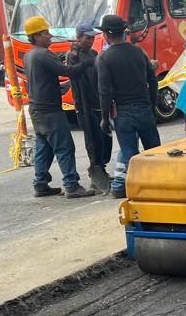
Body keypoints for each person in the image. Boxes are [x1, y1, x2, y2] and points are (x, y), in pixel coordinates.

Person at [22, 15, 95, 199]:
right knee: (64, 147)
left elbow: (42, 80)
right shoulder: (43, 54)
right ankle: (72, 185)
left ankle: (40, 184)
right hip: (50, 112)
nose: (50, 36)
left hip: (36, 110)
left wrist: (60, 88)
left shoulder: (29, 55)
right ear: (36, 36)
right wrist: (85, 63)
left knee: (43, 148)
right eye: (46, 33)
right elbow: (67, 71)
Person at [95, 14, 161, 199]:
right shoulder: (139, 53)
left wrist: (104, 118)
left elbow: (104, 91)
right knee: (154, 152)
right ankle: (158, 187)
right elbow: (152, 80)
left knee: (131, 154)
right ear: (123, 32)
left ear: (107, 35)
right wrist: (152, 104)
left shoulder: (104, 58)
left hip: (122, 112)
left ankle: (137, 191)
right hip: (144, 107)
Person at [66, 23, 113, 194]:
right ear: (78, 38)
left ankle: (102, 168)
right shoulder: (73, 56)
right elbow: (72, 73)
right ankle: (95, 172)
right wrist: (85, 64)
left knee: (105, 138)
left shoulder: (93, 54)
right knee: (93, 140)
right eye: (87, 38)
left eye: (92, 38)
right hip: (84, 106)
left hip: (97, 102)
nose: (91, 41)